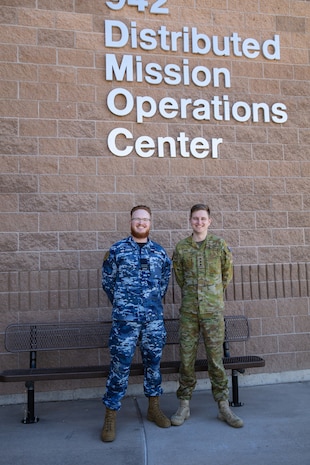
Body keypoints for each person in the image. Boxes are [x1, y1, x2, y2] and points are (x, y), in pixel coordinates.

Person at [101, 205, 172, 442]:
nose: (141, 223)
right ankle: (110, 415)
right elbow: (108, 281)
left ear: (150, 222)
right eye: (137, 219)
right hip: (125, 322)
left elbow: (163, 283)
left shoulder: (160, 253)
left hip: (153, 320)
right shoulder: (117, 250)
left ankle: (153, 408)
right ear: (130, 221)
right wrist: (124, 304)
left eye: (145, 219)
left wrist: (149, 304)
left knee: (153, 364)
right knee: (120, 366)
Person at [171, 204, 243, 428]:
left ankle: (223, 406)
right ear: (190, 221)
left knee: (215, 360)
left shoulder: (219, 245)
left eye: (203, 219)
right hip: (189, 313)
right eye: (195, 219)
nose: (199, 222)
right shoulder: (182, 248)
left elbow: (226, 275)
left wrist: (211, 296)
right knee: (187, 359)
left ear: (210, 221)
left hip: (213, 313)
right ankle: (184, 405)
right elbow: (180, 278)